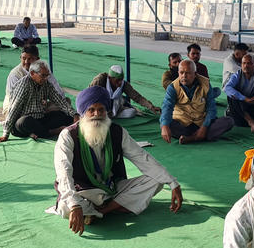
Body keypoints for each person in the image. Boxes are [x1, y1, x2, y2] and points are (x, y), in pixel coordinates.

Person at [47, 86, 184, 235]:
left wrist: (172, 183)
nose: (97, 114)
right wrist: (74, 205)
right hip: (83, 191)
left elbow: (142, 157)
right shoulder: (68, 136)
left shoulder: (117, 132)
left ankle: (103, 211)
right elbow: (64, 173)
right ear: (82, 113)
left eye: (101, 110)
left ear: (107, 111)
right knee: (65, 206)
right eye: (91, 110)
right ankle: (109, 208)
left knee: (156, 180)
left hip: (111, 188)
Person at [0, 60, 77, 142]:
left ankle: (36, 133)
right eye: (43, 75)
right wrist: (5, 134)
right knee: (24, 122)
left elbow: (60, 101)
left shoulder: (46, 84)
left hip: (40, 119)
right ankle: (50, 132)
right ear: (32, 73)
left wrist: (74, 114)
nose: (46, 78)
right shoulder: (24, 84)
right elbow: (14, 109)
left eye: (47, 76)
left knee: (64, 115)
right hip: (23, 122)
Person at [159, 60, 234, 144]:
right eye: (181, 73)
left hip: (201, 123)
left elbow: (211, 109)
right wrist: (165, 126)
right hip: (183, 124)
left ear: (195, 74)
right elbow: (167, 107)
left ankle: (192, 138)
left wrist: (204, 127)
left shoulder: (205, 84)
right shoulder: (172, 87)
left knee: (229, 121)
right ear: (178, 73)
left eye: (188, 73)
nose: (184, 76)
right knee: (166, 123)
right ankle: (200, 136)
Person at [3, 45, 67, 114]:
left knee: (66, 101)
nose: (26, 62)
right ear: (20, 58)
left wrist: (45, 102)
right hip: (18, 107)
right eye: (24, 58)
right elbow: (15, 101)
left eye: (30, 59)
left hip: (41, 105)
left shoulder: (44, 70)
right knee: (24, 119)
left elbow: (59, 93)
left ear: (37, 59)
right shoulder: (14, 74)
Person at [88, 64, 160, 119]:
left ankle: (109, 115)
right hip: (98, 107)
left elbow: (137, 97)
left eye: (121, 79)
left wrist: (151, 106)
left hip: (115, 109)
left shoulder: (123, 84)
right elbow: (89, 96)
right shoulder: (100, 80)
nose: (119, 83)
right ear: (110, 78)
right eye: (117, 80)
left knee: (132, 112)